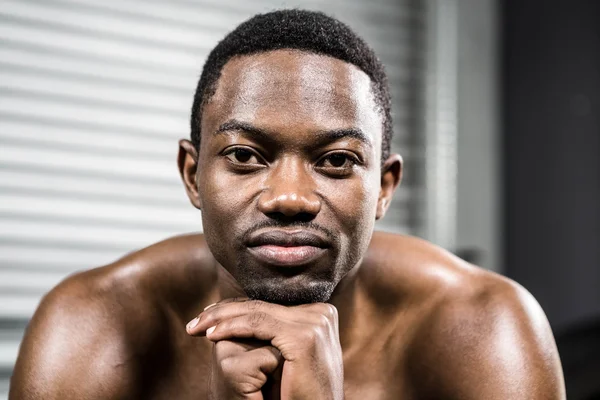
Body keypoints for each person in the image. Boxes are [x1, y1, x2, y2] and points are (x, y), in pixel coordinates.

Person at [9, 9, 565, 400]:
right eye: (246, 155)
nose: (291, 198)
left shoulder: (484, 332)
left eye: (337, 161)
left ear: (384, 189)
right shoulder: (91, 327)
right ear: (192, 174)